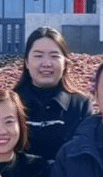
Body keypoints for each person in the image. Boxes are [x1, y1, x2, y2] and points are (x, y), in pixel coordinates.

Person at [14, 26, 91, 162]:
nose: (47, 63)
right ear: (26, 62)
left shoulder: (80, 105)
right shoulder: (10, 103)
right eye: (38, 56)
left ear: (65, 62)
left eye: (54, 56)